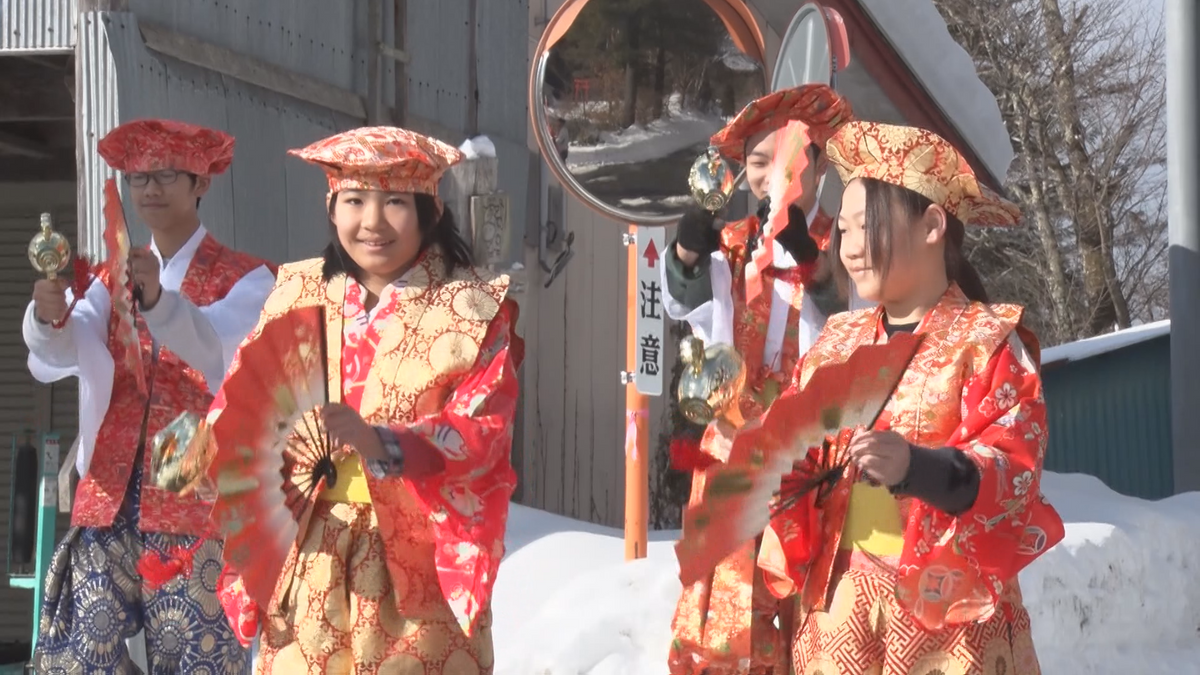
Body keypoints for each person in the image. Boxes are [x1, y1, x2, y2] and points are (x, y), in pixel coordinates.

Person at [214, 126, 523, 674]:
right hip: (309, 555)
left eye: (395, 202)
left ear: (430, 211)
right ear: (332, 208)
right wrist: (191, 453)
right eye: (354, 200)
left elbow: (483, 434)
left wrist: (382, 441)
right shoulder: (296, 295)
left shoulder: (469, 308)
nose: (372, 222)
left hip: (413, 566)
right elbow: (244, 407)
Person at [762, 121, 1066, 675]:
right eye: (844, 231)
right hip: (838, 612)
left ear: (931, 225)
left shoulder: (988, 341)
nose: (848, 248)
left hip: (947, 621)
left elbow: (1011, 463)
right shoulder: (836, 343)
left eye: (864, 227)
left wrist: (916, 468)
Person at [25, 119, 276, 672]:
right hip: (111, 475)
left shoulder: (246, 277)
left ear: (200, 184)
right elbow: (66, 346)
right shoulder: (108, 276)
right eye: (138, 179)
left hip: (187, 455)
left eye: (165, 176)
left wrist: (159, 299)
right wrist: (49, 315)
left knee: (190, 646)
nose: (150, 190)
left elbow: (215, 347)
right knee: (78, 648)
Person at [663, 83, 853, 675]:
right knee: (721, 598)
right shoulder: (734, 245)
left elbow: (849, 315)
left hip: (810, 454)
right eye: (758, 162)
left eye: (790, 158)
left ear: (819, 164)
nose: (773, 175)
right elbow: (685, 305)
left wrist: (812, 264)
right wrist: (689, 256)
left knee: (798, 596)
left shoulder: (846, 238)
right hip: (732, 446)